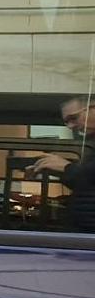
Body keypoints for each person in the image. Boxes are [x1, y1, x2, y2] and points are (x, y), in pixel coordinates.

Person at [30, 96, 95, 231]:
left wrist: (66, 167)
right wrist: (58, 170)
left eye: (73, 118)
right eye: (66, 122)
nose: (70, 126)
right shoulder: (89, 144)